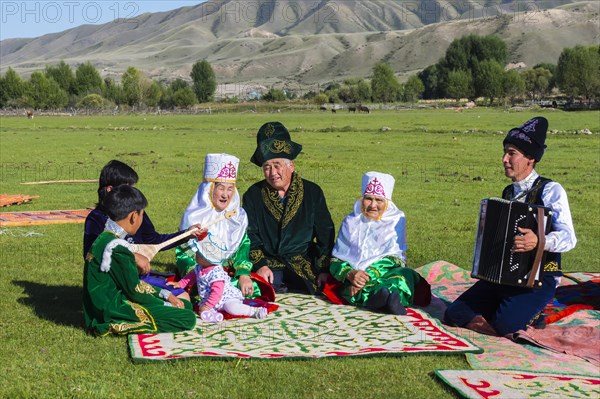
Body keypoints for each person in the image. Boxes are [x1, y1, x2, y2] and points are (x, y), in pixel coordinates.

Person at [444, 116, 577, 336]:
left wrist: (539, 241)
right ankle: (504, 317)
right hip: (504, 277)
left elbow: (569, 238)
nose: (504, 159)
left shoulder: (551, 190)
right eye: (505, 152)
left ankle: (523, 314)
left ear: (530, 158)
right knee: (454, 313)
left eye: (512, 153)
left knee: (507, 326)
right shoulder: (509, 192)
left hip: (540, 279)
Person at [83, 185, 196, 336]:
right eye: (142, 215)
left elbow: (131, 285)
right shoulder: (116, 248)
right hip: (112, 309)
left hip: (109, 301)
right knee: (188, 317)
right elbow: (134, 290)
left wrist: (166, 295)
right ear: (134, 216)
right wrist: (165, 301)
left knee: (186, 306)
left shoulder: (105, 238)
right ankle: (114, 325)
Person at [83, 159, 200, 298]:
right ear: (110, 190)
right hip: (114, 284)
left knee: (183, 298)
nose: (133, 192)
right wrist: (133, 256)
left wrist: (186, 234)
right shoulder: (96, 218)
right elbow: (92, 253)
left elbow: (154, 241)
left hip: (140, 278)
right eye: (128, 188)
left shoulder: (137, 213)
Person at [242, 122, 335, 294]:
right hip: (268, 262)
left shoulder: (312, 192)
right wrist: (260, 265)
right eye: (267, 167)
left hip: (303, 261)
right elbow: (249, 235)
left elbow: (325, 233)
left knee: (324, 292)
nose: (272, 173)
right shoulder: (253, 195)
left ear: (291, 166)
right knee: (257, 293)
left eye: (277, 165)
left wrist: (324, 270)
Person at [325, 172, 430, 315]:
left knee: (404, 275)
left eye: (379, 200)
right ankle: (382, 300)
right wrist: (350, 274)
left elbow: (395, 259)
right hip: (354, 278)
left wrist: (369, 276)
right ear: (362, 200)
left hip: (384, 273)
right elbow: (336, 260)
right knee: (345, 287)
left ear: (387, 202)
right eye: (368, 199)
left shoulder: (395, 220)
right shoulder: (350, 221)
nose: (373, 205)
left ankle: (386, 299)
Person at [176, 153, 273, 301]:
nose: (225, 195)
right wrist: (203, 274)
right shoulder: (193, 218)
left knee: (252, 287)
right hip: (200, 275)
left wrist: (243, 274)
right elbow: (184, 255)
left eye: (230, 189)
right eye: (221, 188)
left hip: (228, 274)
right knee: (202, 291)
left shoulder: (237, 217)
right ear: (209, 189)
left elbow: (243, 249)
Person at [169, 238, 268, 321]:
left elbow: (217, 292)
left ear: (207, 258)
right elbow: (191, 277)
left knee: (231, 308)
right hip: (210, 299)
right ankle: (214, 317)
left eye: (198, 253)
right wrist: (180, 284)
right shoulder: (200, 267)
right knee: (202, 309)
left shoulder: (216, 273)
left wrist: (208, 305)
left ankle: (254, 311)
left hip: (226, 298)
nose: (196, 254)